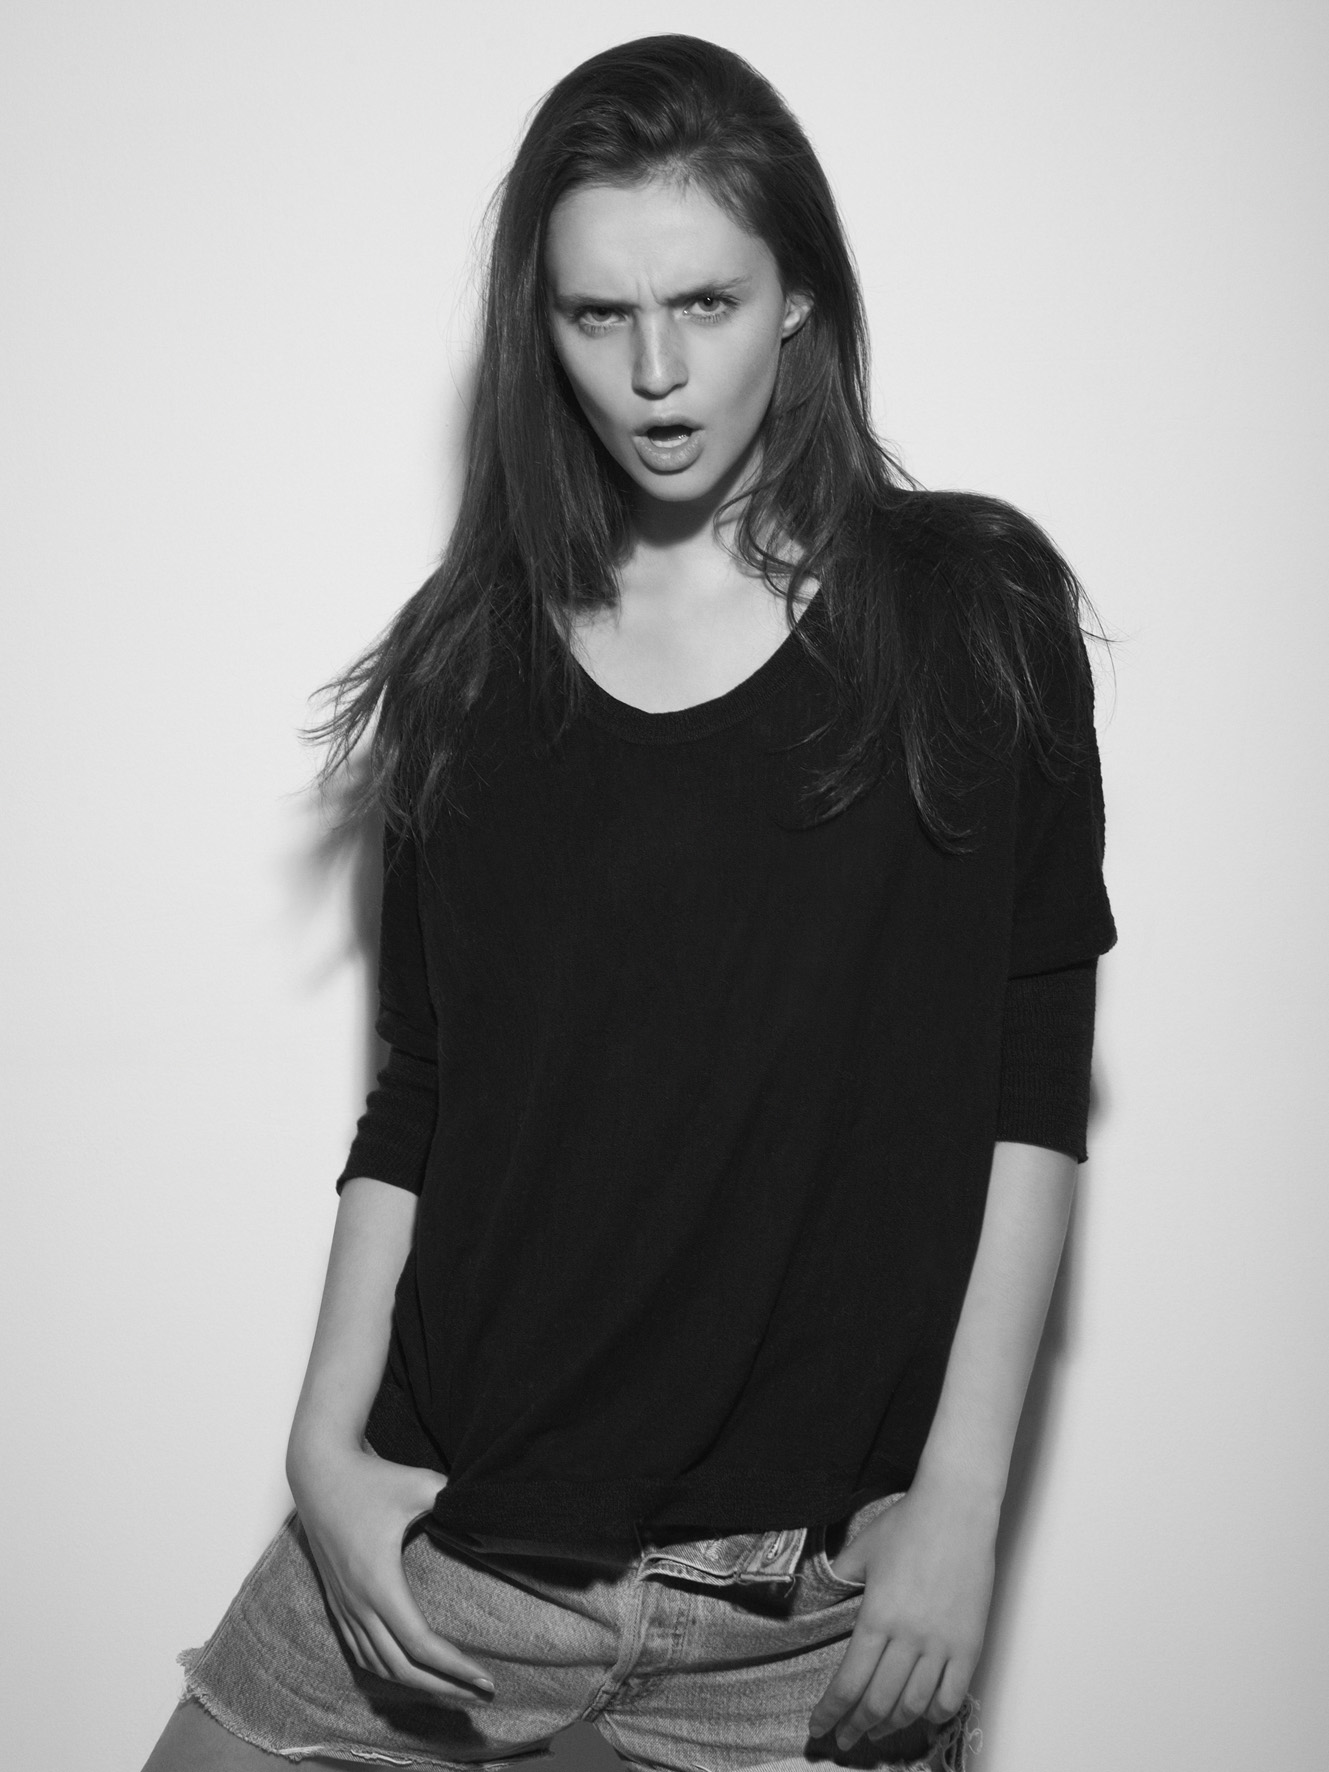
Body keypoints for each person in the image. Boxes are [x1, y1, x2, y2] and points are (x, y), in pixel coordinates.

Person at [143, 33, 1116, 1772]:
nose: (656, 373)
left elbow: (1029, 1076)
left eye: (707, 304)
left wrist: (962, 1504)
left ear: (800, 299)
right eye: (599, 316)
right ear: (541, 328)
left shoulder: (970, 617)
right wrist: (321, 1448)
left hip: (808, 1616)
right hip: (450, 1540)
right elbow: (424, 1086)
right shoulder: (472, 664)